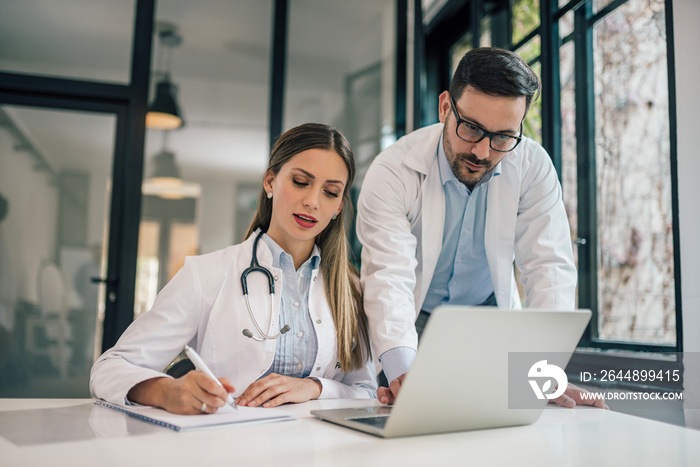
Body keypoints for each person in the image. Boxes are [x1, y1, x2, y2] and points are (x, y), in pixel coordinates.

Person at [356, 47, 606, 409]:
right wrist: (401, 371)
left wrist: (545, 368)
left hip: (489, 319)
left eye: (503, 136)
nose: (483, 152)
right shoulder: (394, 170)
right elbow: (388, 275)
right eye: (471, 128)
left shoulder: (532, 166)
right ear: (445, 107)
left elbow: (548, 265)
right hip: (414, 317)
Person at [91, 123, 375, 414]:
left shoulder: (351, 288)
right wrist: (167, 391)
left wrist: (315, 388)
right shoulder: (207, 274)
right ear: (270, 182)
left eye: (330, 192)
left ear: (339, 205)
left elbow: (366, 392)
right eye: (301, 182)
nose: (312, 201)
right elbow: (109, 369)